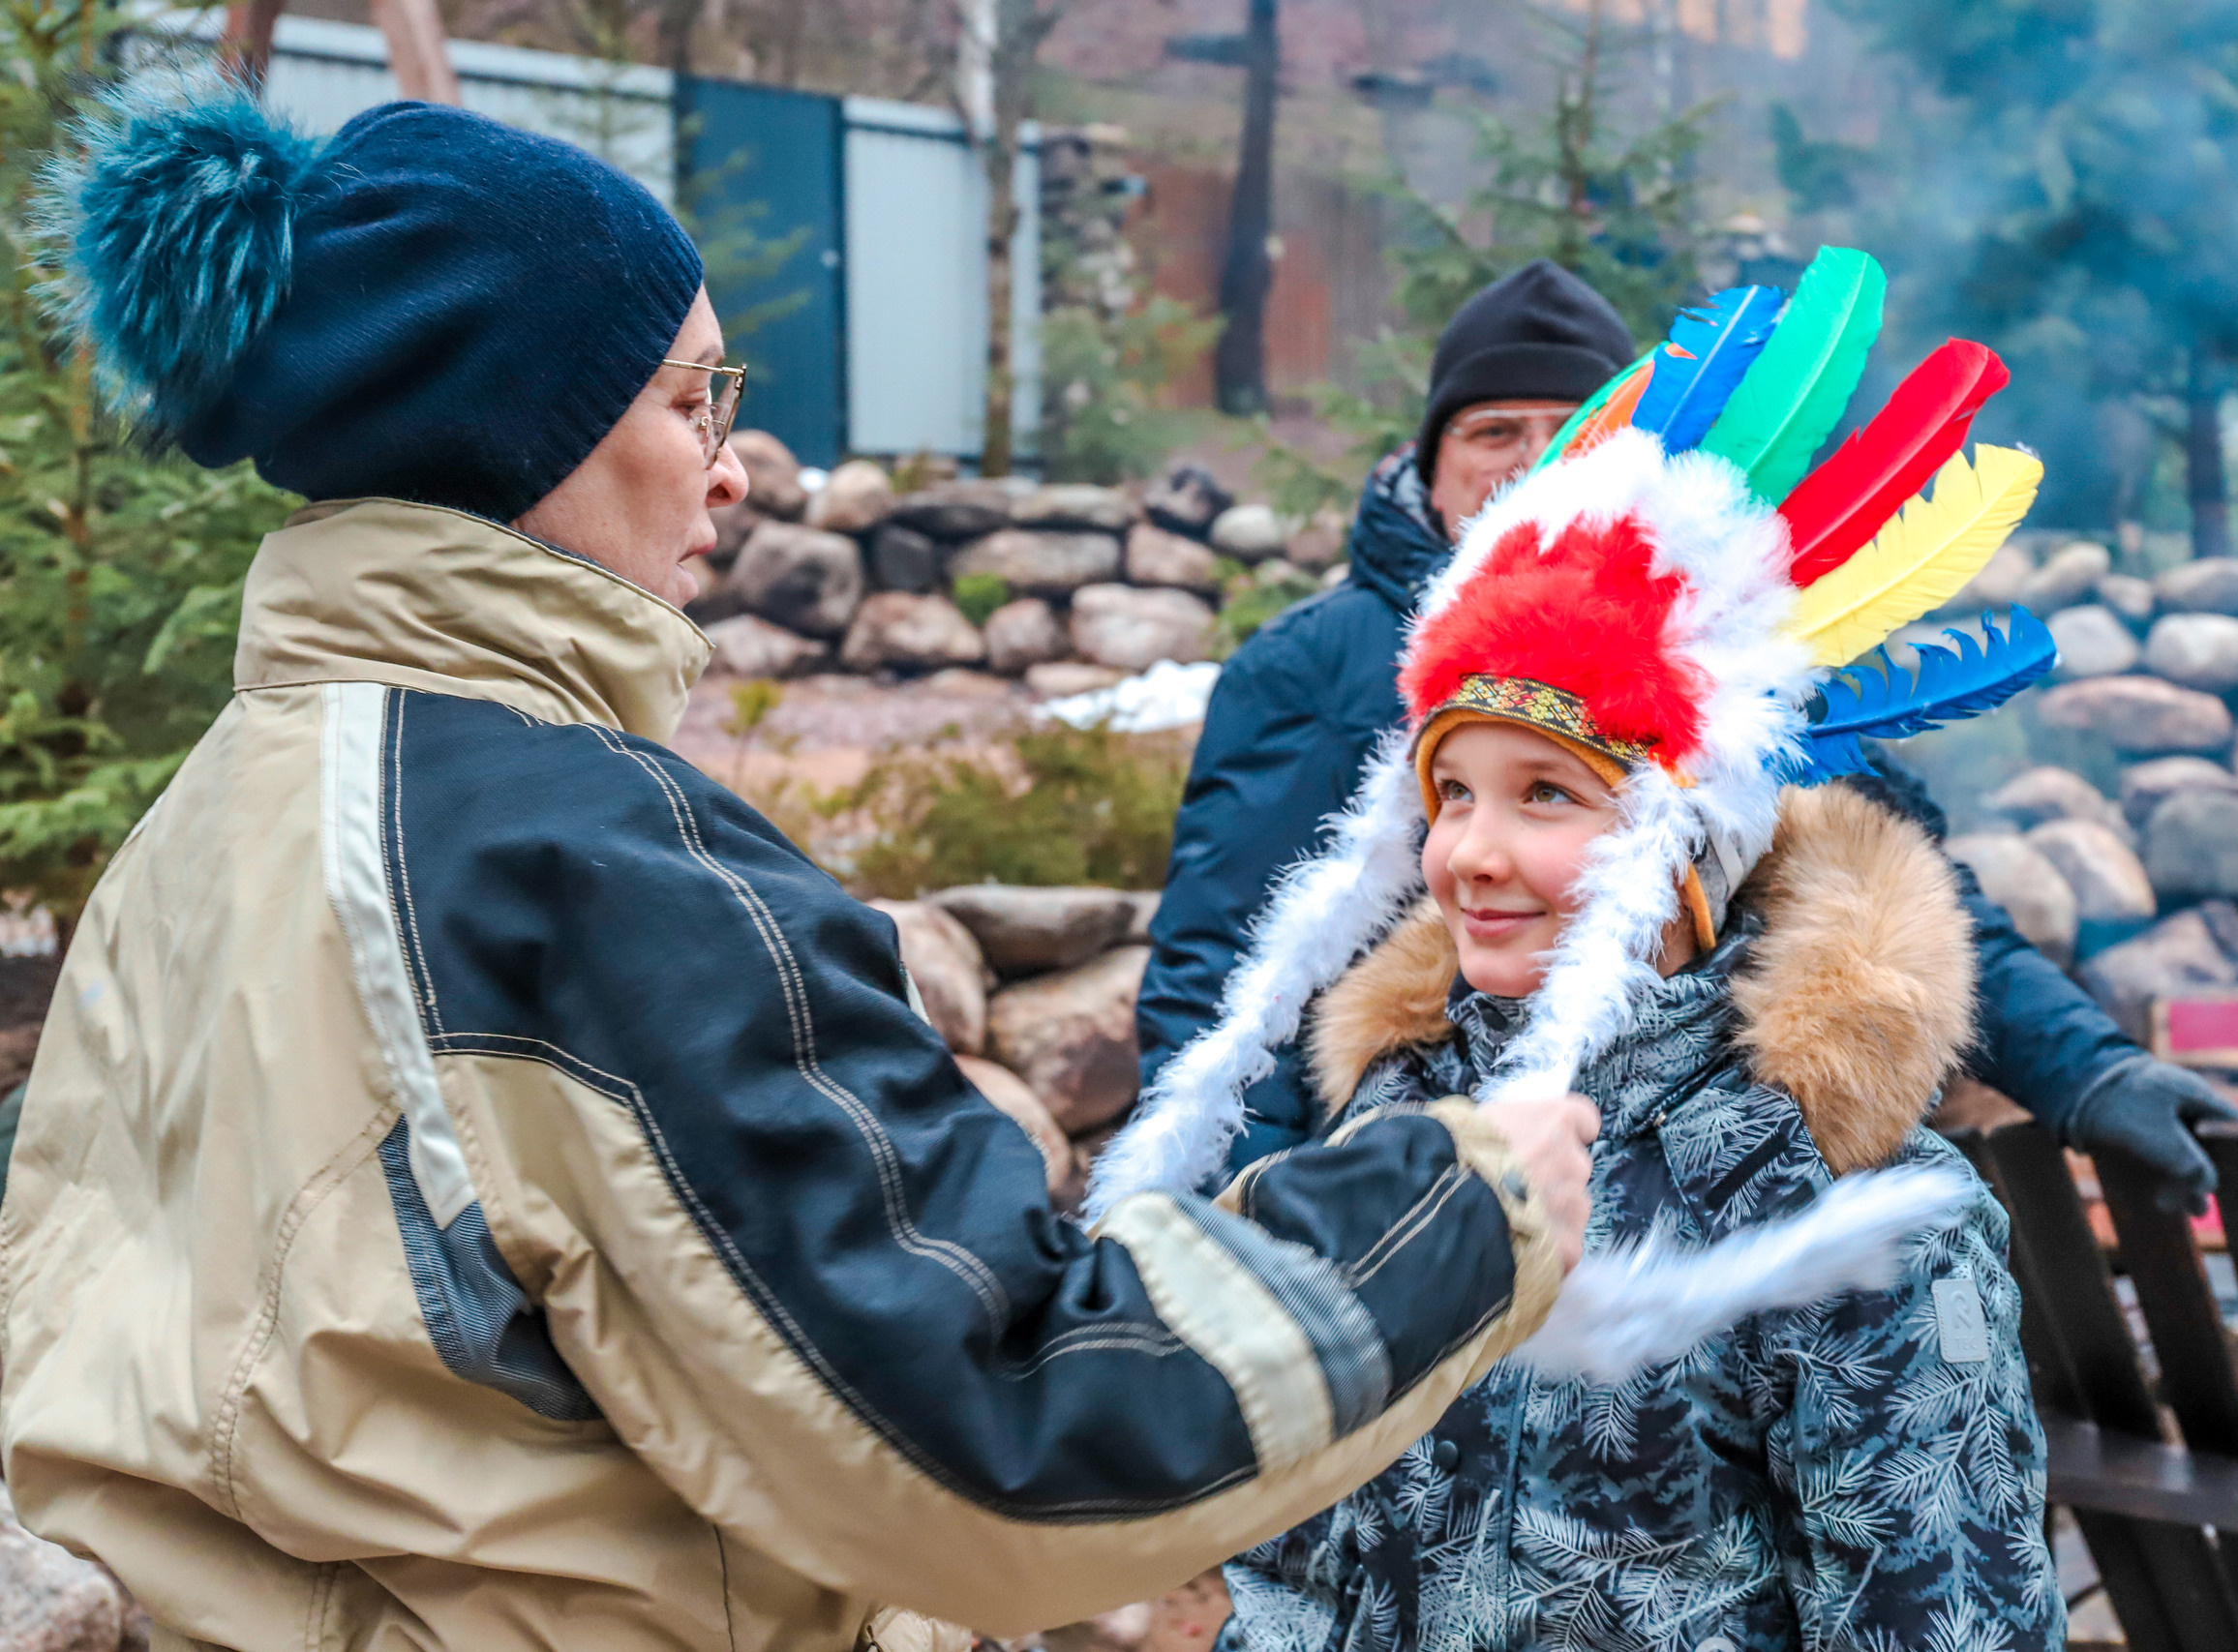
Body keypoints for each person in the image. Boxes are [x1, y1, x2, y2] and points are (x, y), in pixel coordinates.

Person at [0, 91, 1605, 1650]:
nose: (736, 463)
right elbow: (1003, 1421)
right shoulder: (570, 858)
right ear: (517, 425)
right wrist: (1463, 1205)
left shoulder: (218, 805)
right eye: (689, 397)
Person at [1158, 296, 2069, 1647]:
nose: (1470, 849)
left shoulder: (1853, 1219)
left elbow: (1944, 1616)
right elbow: (1295, 1564)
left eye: (1546, 795)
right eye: (1450, 792)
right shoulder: (1391, 1136)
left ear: (1686, 841)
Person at [1137, 259, 2238, 1211]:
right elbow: (1221, 967)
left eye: (1563, 431)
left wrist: (2091, 1074)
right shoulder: (1312, 667)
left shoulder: (1725, 662)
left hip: (1690, 1182)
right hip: (1401, 1188)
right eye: (1489, 433)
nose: (1528, 463)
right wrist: (1260, 1217)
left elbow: (1880, 875)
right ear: (1429, 467)